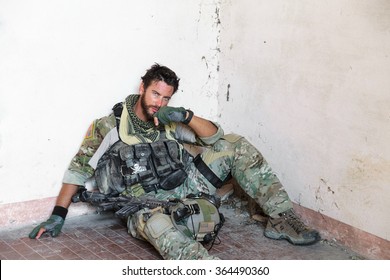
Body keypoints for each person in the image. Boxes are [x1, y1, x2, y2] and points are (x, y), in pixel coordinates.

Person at [29, 63, 320, 260]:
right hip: (145, 204)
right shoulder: (110, 126)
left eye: (166, 97)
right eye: (155, 93)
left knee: (235, 145)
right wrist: (57, 215)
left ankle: (281, 218)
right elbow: (79, 168)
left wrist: (186, 116)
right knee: (161, 230)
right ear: (142, 87)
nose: (159, 102)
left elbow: (215, 138)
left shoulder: (166, 119)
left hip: (186, 185)